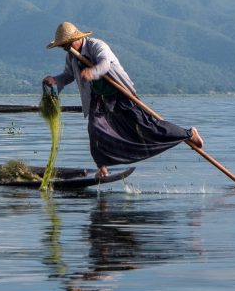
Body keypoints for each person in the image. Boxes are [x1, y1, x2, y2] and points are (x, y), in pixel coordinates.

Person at [42, 21, 203, 178]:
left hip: (121, 94)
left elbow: (105, 64)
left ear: (76, 39)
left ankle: (189, 133)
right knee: (95, 130)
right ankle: (102, 168)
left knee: (148, 127)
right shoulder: (71, 57)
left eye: (67, 45)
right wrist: (55, 80)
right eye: (63, 47)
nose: (66, 49)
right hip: (99, 98)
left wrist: (93, 72)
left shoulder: (97, 46)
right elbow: (69, 75)